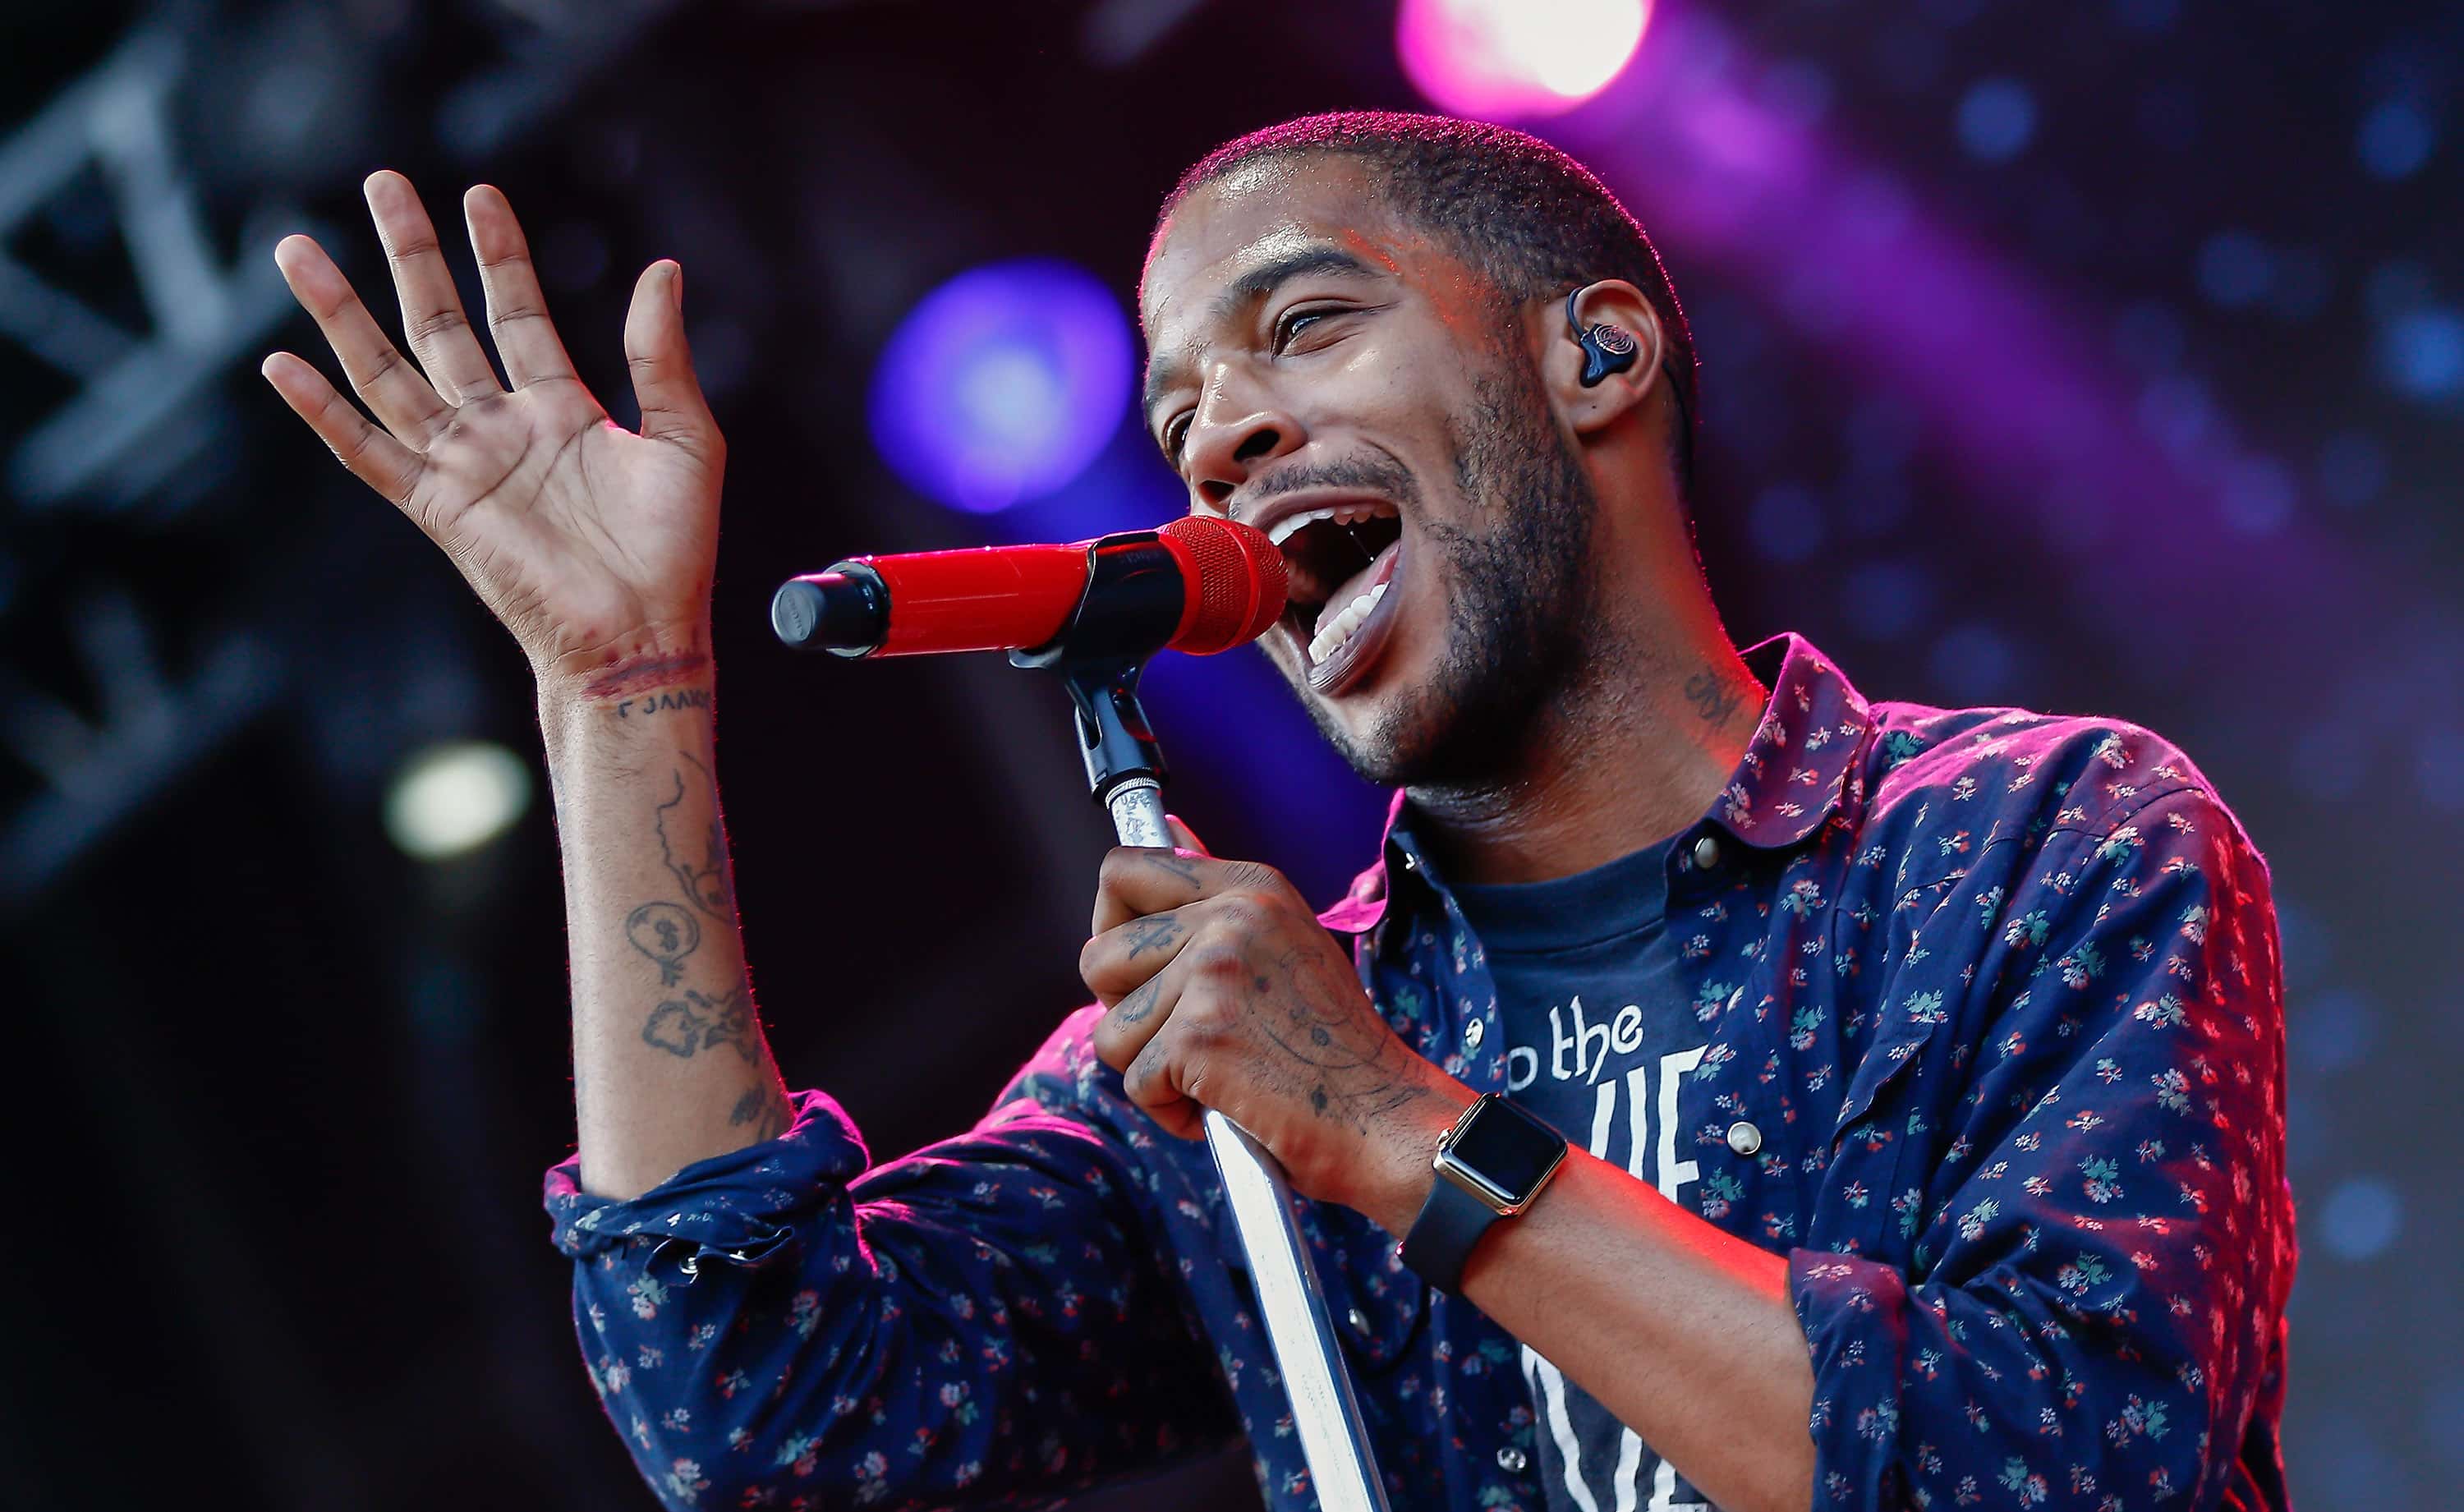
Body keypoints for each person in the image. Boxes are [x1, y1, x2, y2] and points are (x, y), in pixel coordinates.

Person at [261, 112, 2295, 1512]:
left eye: (1304, 327)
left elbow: (2069, 1464)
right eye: (1175, 421)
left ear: (1597, 352)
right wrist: (624, 699)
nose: (1218, 433)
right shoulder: (1232, 1072)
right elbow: (756, 1407)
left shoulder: (2036, 844)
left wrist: (1404, 1133)